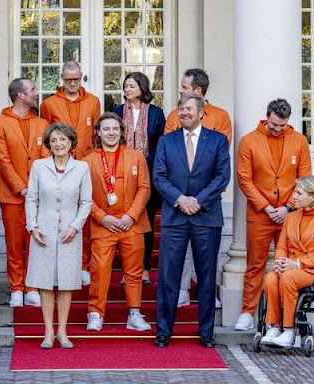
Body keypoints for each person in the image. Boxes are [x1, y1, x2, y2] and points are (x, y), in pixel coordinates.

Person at [153, 95, 230, 348]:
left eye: (189, 109)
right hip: (175, 217)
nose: (184, 112)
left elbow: (222, 176)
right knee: (168, 276)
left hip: (206, 217)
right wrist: (180, 199)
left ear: (201, 112)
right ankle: (164, 331)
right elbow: (159, 177)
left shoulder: (217, 140)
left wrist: (197, 200)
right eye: (181, 108)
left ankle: (206, 332)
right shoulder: (166, 141)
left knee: (206, 277)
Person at [234, 98, 312, 332]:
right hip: (260, 214)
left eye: (282, 125)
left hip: (290, 214)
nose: (278, 129)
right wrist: (267, 208)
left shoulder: (299, 141)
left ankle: (286, 317)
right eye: (274, 124)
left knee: (287, 265)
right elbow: (244, 180)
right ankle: (248, 312)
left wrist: (288, 207)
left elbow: (305, 177)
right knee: (255, 264)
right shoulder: (248, 141)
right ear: (267, 117)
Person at [165, 69, 232, 308]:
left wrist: (200, 199)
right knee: (180, 252)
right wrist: (182, 197)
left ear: (198, 91)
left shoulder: (221, 116)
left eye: (184, 87)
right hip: (179, 196)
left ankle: (207, 291)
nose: (180, 91)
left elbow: (220, 160)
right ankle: (182, 288)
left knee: (206, 254)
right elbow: (170, 151)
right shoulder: (175, 115)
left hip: (208, 199)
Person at [25, 123, 92, 349]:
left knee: (65, 282)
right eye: (54, 140)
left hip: (69, 234)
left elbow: (86, 202)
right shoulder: (39, 166)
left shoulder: (81, 168)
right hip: (43, 232)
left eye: (63, 139)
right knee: (44, 282)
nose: (58, 144)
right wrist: (32, 226)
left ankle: (62, 332)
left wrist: (76, 226)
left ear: (71, 143)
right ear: (49, 145)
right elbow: (31, 199)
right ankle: (47, 332)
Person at [83, 112, 152, 332]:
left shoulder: (136, 156)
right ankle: (95, 313)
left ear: (121, 131)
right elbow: (84, 195)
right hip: (104, 223)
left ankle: (134, 313)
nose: (111, 133)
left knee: (134, 270)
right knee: (100, 269)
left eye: (115, 129)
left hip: (131, 222)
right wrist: (102, 217)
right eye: (106, 129)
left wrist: (131, 215)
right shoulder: (88, 161)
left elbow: (144, 188)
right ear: (98, 132)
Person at [261, 176, 314, 347]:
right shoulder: (291, 218)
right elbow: (281, 246)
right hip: (290, 267)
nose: (294, 197)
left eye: (299, 193)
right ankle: (274, 327)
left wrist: (298, 264)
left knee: (288, 278)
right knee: (270, 278)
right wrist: (281, 262)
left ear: (313, 196)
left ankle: (290, 331)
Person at [40, 60, 101, 286]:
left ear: (82, 77)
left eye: (76, 79)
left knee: (83, 214)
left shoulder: (94, 101)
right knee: (59, 215)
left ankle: (83, 265)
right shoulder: (49, 103)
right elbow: (46, 135)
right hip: (58, 166)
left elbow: (97, 134)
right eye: (68, 80)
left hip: (85, 165)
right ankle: (57, 266)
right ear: (61, 78)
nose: (73, 83)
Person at [0, 77, 49, 308]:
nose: (36, 93)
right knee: (14, 243)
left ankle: (32, 286)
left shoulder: (42, 123)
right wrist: (22, 188)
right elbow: (2, 161)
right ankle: (16, 287)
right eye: (32, 90)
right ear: (20, 95)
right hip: (11, 194)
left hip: (38, 194)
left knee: (34, 241)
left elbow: (46, 156)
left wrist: (36, 188)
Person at [112, 71, 165, 286]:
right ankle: (128, 270)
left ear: (142, 88)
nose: (127, 90)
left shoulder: (156, 113)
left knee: (146, 223)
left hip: (148, 174)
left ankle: (143, 269)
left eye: (131, 86)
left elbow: (161, 144)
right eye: (125, 86)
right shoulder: (116, 112)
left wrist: (143, 164)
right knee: (126, 225)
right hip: (121, 175)